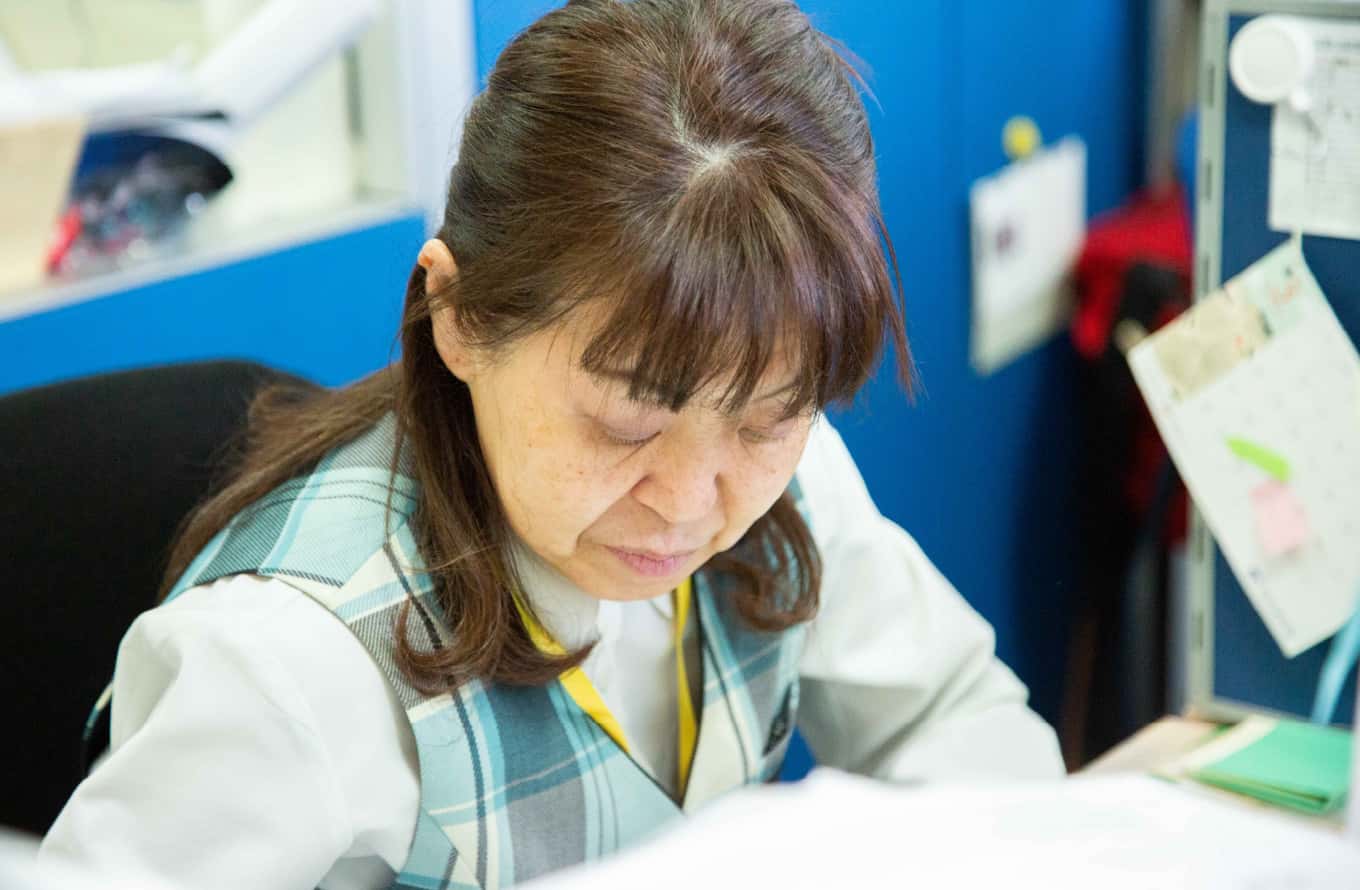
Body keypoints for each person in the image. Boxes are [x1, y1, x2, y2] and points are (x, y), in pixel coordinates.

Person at [40, 1, 1063, 887]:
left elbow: (954, 719)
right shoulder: (287, 665)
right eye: (627, 420)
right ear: (457, 314)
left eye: (767, 417)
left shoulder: (781, 478)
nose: (689, 499)